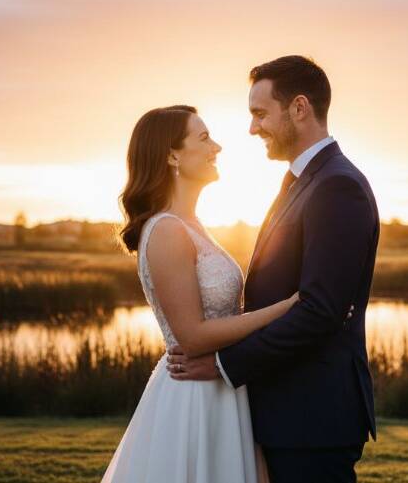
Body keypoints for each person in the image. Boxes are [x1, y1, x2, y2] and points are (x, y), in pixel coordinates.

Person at [168, 56, 379, 483]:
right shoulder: (304, 181)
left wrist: (224, 365)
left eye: (260, 114)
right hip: (287, 413)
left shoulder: (337, 186)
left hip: (312, 418)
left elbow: (320, 310)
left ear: (299, 108)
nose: (252, 128)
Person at [102, 104, 288, 483]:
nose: (216, 147)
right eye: (203, 138)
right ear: (172, 155)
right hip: (194, 398)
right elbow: (192, 336)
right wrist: (286, 308)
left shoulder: (193, 225)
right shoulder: (167, 230)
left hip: (221, 387)